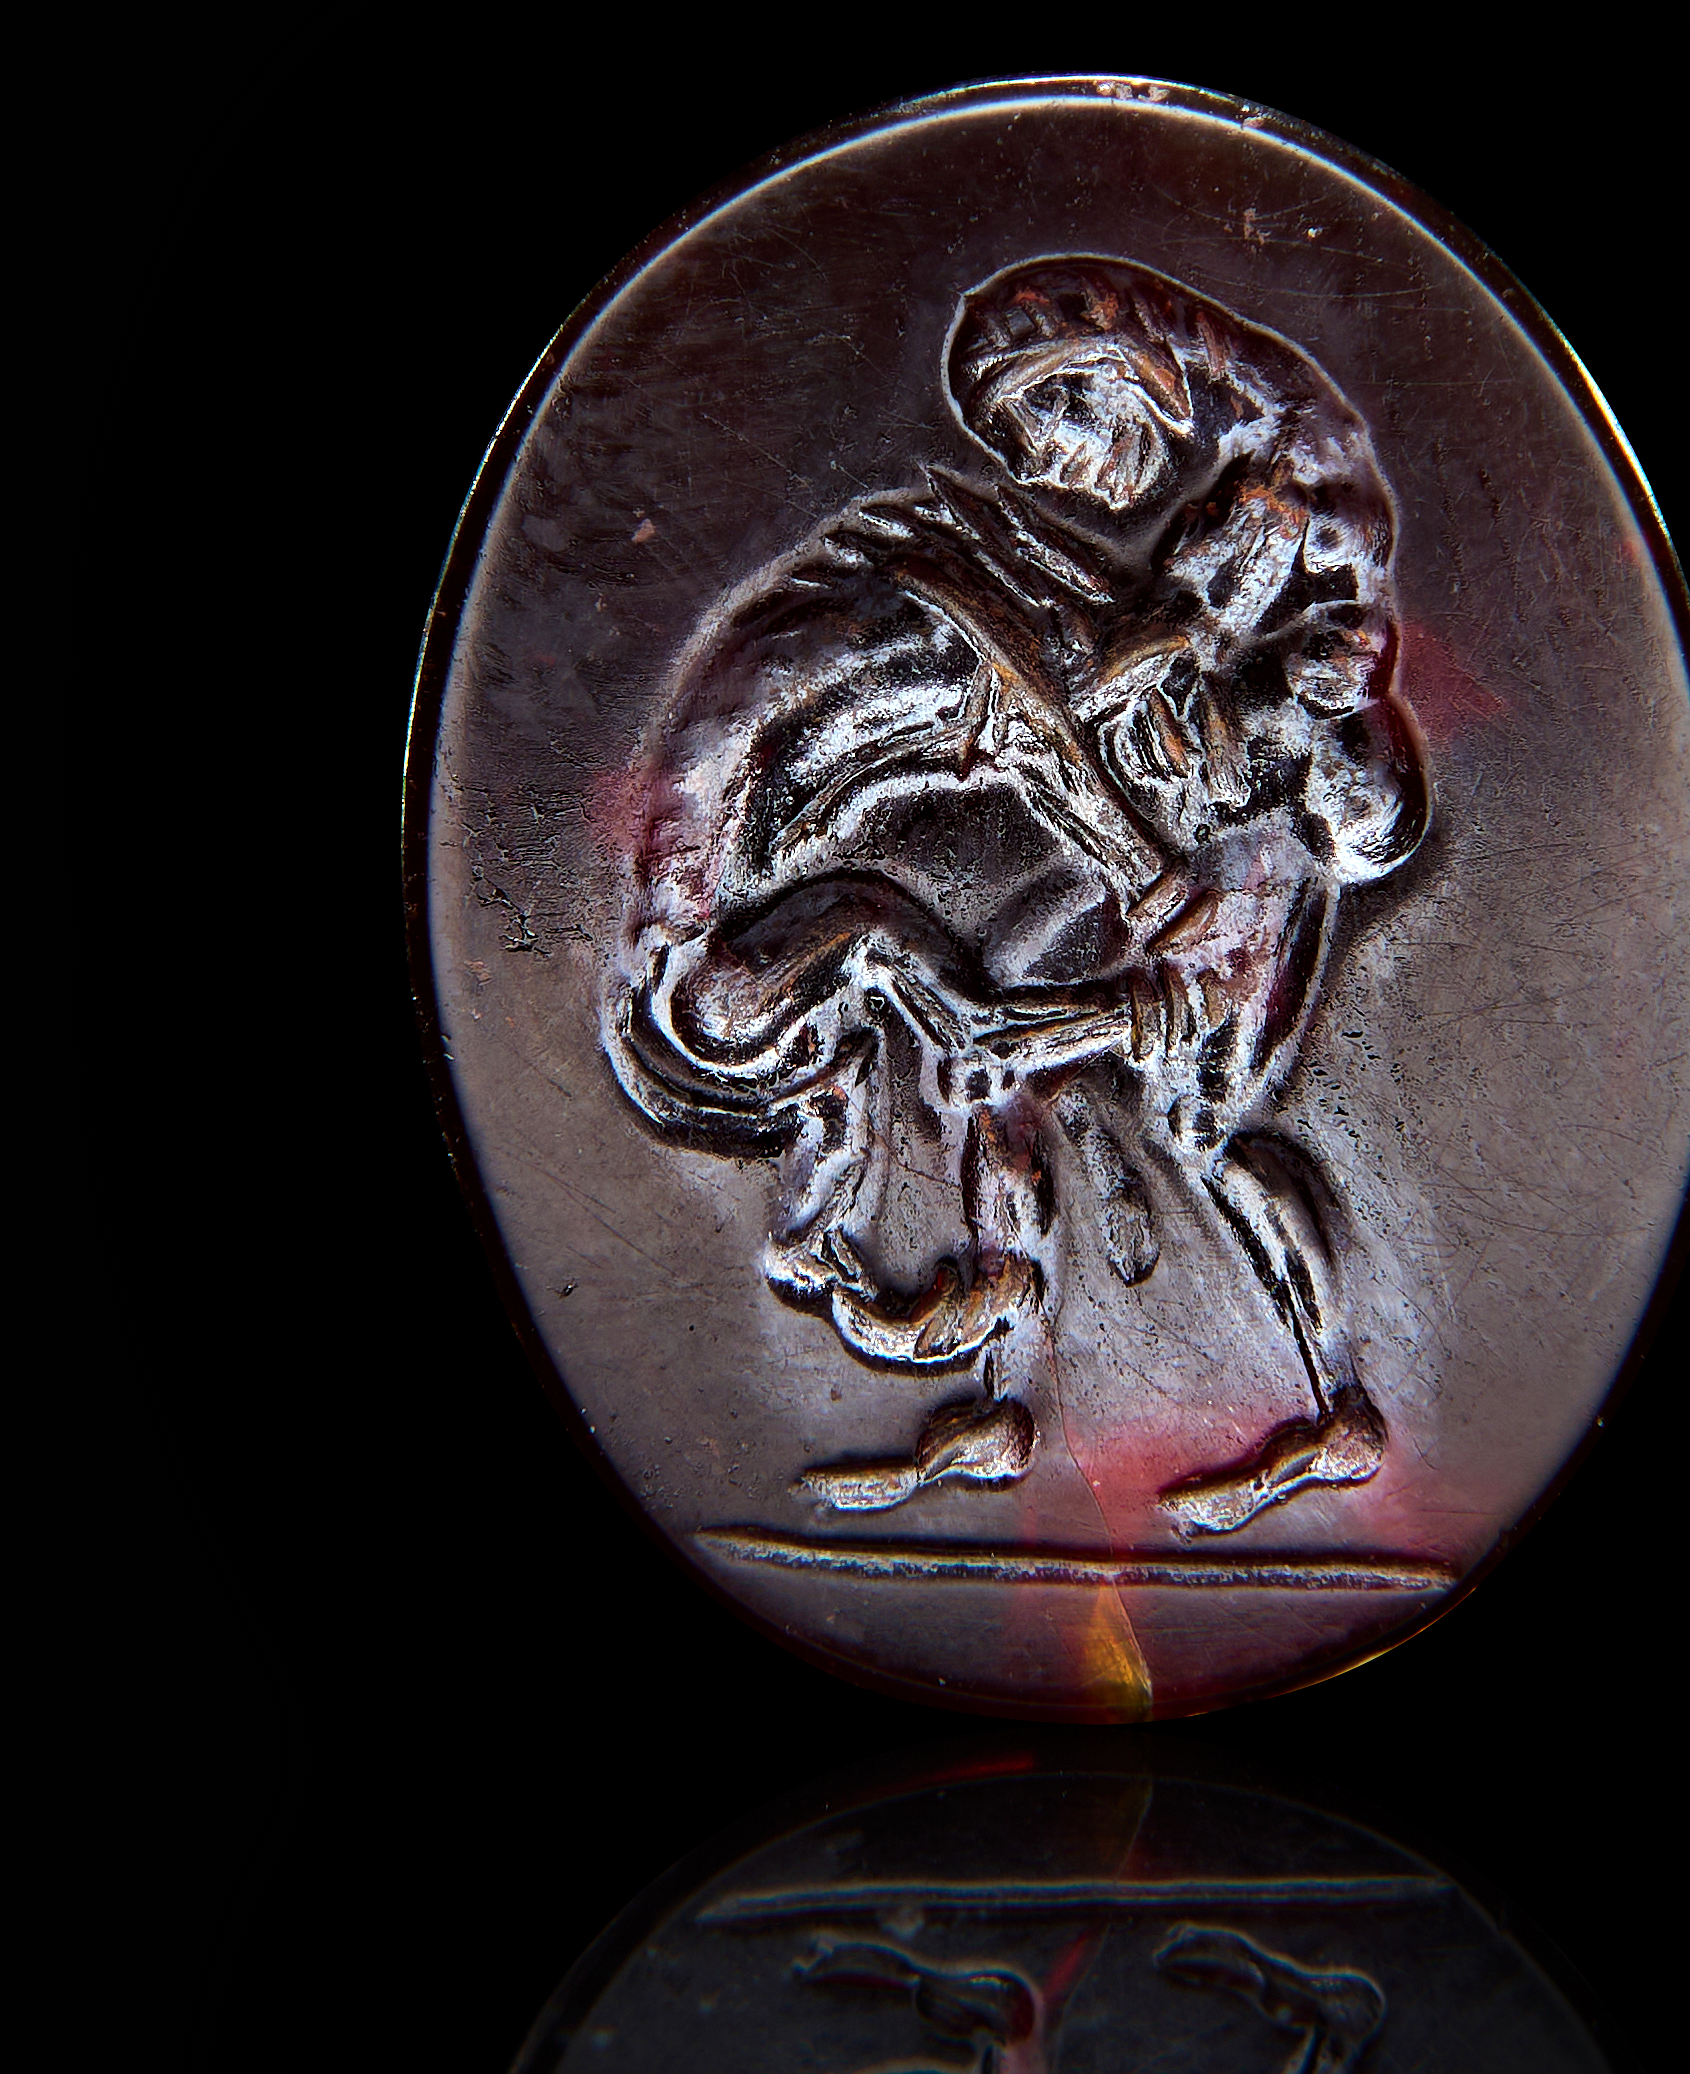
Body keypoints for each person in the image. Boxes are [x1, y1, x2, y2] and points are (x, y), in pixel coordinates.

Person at [602, 257, 1429, 1530]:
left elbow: (1245, 682)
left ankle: (1338, 1413)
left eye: (1049, 421)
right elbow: (1134, 665)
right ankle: (1001, 1402)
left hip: (1248, 843)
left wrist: (1153, 848)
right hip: (1190, 820)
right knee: (990, 1051)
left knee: (1195, 1127)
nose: (1048, 466)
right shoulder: (1252, 490)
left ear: (1115, 372)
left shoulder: (1294, 488)